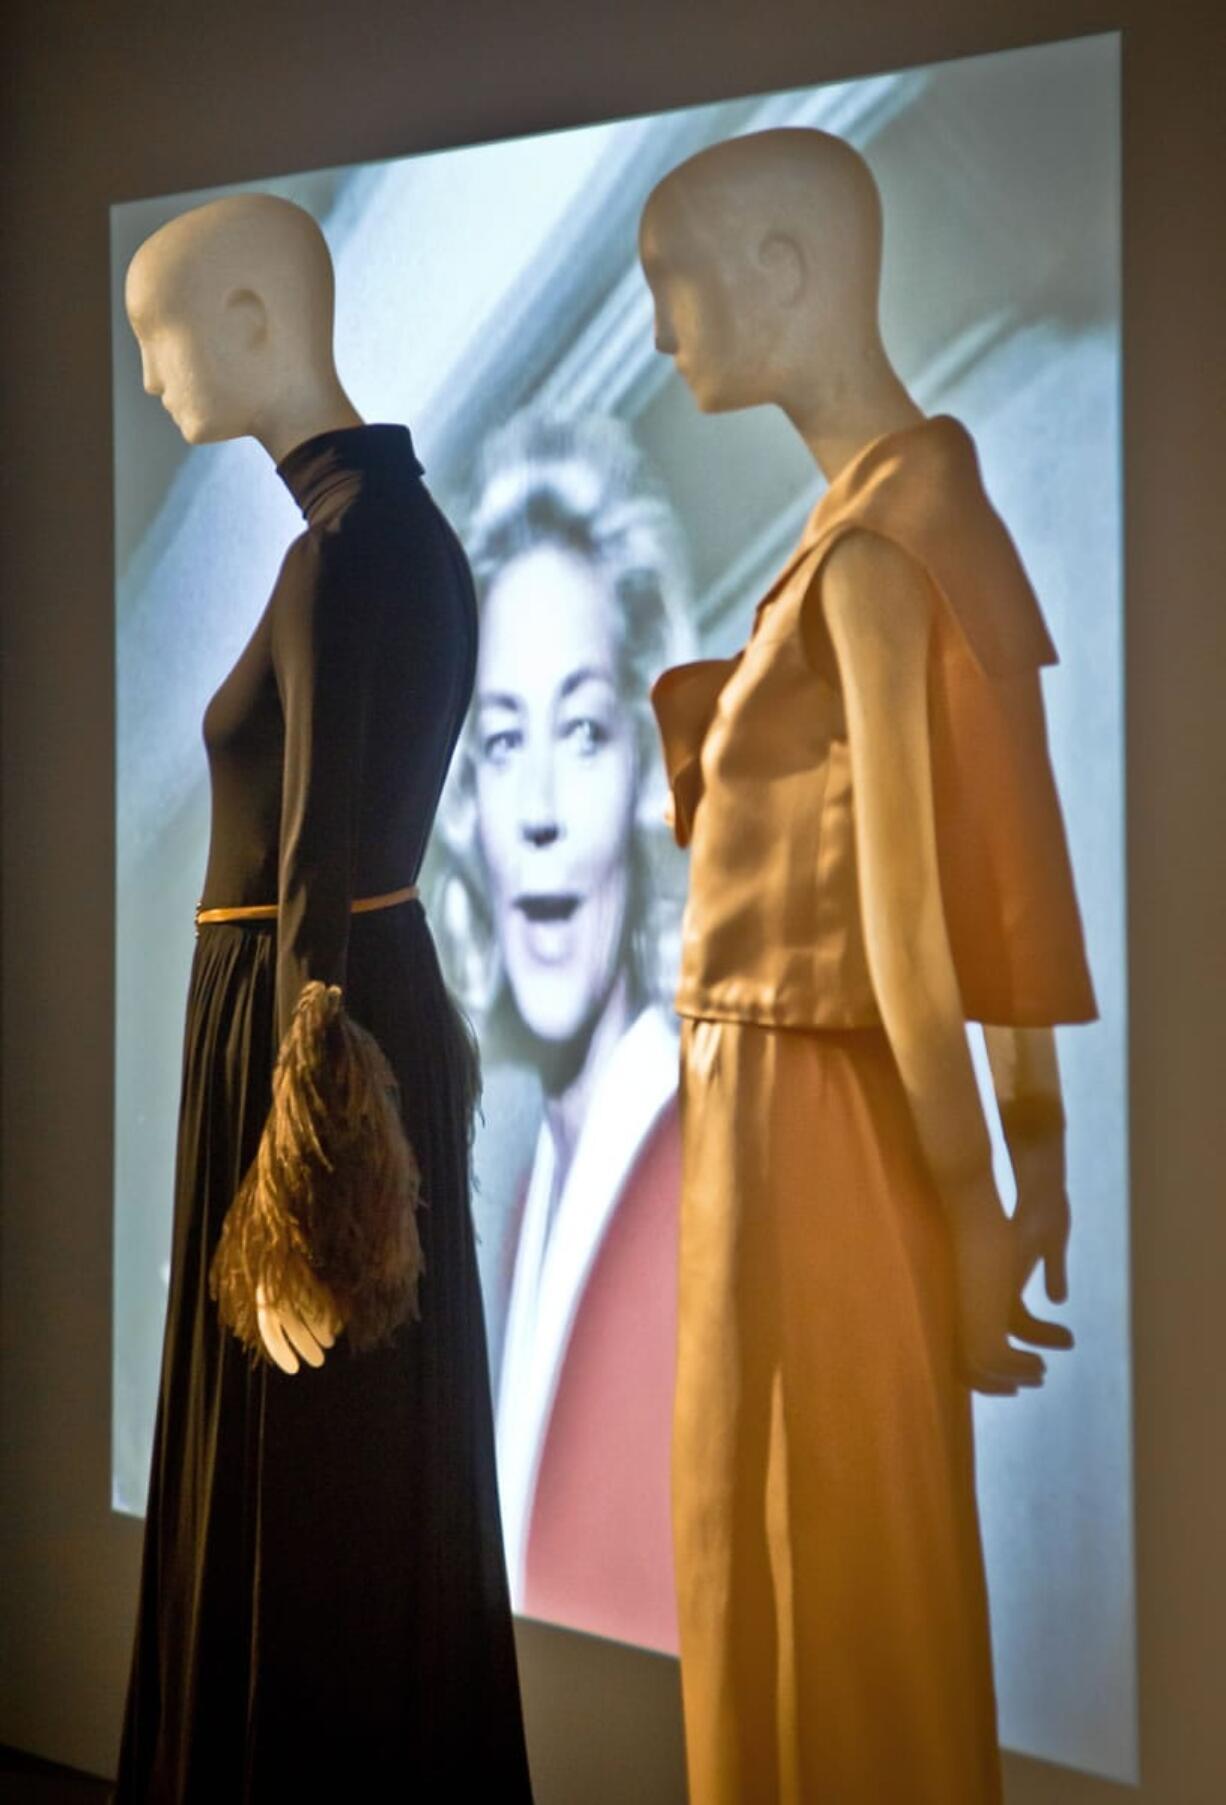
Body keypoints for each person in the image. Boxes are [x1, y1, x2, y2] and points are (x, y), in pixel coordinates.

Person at [638, 129, 1096, 1803]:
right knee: (804, 1545)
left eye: (674, 285)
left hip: (807, 1130)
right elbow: (1009, 854)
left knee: (806, 1555)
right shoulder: (884, 516)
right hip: (790, 1116)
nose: (664, 332)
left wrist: (983, 1205)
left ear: (783, 272)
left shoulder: (887, 536)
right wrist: (1026, 1157)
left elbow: (924, 926)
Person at [115, 193, 533, 1801]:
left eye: (161, 336)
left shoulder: (354, 551)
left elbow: (317, 875)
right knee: (341, 1475)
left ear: (246, 323)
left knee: (319, 1482)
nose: (151, 377)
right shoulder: (381, 533)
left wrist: (303, 1153)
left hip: (314, 1048)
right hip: (328, 1028)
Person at [432, 410, 691, 1653]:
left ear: (647, 770)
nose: (534, 807)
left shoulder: (723, 1168)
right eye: (497, 741)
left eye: (581, 730)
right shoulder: (534, 1185)